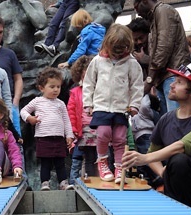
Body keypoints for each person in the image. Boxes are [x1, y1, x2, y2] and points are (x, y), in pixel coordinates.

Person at [122, 63, 191, 210]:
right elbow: (152, 153)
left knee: (179, 158)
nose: (172, 85)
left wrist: (144, 159)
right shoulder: (166, 119)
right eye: (174, 80)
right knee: (177, 163)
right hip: (179, 188)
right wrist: (164, 173)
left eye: (179, 82)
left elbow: (182, 146)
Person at [82, 24, 143, 184]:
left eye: (120, 49)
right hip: (101, 106)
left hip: (121, 107)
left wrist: (135, 104)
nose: (116, 53)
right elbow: (89, 82)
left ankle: (119, 167)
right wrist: (88, 103)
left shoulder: (131, 63)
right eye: (114, 49)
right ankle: (102, 161)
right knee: (103, 134)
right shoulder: (98, 61)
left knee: (120, 138)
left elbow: (137, 85)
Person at [20, 67, 74, 190]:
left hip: (59, 138)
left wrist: (69, 135)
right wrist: (30, 118)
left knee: (60, 162)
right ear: (41, 88)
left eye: (58, 87)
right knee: (46, 163)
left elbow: (66, 120)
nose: (56, 90)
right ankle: (45, 183)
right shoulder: (37, 101)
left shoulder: (60, 103)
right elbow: (23, 110)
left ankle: (63, 183)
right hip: (43, 138)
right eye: (52, 87)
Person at [134, 0, 190, 115]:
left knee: (175, 122)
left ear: (144, 1)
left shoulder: (163, 10)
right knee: (169, 123)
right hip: (164, 78)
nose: (138, 13)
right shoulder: (155, 17)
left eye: (136, 8)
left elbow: (164, 47)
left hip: (173, 76)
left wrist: (150, 79)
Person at [67, 55, 97, 183]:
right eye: (86, 77)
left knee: (104, 156)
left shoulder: (101, 91)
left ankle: (103, 180)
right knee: (89, 157)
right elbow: (71, 112)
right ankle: (90, 182)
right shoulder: (76, 92)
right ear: (80, 76)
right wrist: (72, 129)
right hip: (85, 130)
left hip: (101, 129)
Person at [131, 93, 163, 188]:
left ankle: (160, 181)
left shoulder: (145, 112)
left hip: (146, 136)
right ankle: (148, 182)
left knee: (148, 157)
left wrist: (142, 93)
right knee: (141, 162)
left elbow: (145, 104)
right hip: (139, 139)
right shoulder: (137, 114)